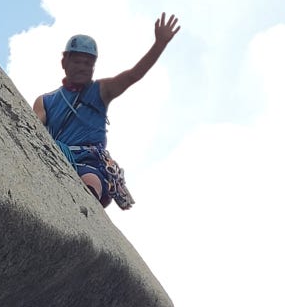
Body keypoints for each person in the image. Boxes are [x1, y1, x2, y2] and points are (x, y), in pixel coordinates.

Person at [33, 13, 180, 206]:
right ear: (64, 63)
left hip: (89, 162)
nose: (83, 67)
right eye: (77, 61)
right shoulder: (45, 101)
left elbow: (133, 75)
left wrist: (159, 44)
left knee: (90, 184)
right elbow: (32, 130)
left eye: (88, 63)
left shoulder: (100, 91)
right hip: (57, 155)